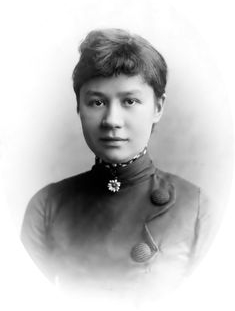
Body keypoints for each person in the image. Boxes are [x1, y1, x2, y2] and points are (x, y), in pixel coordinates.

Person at [21, 28, 214, 294]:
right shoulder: (46, 209)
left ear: (158, 107)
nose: (112, 120)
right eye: (97, 102)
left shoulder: (197, 210)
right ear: (79, 106)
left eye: (130, 101)